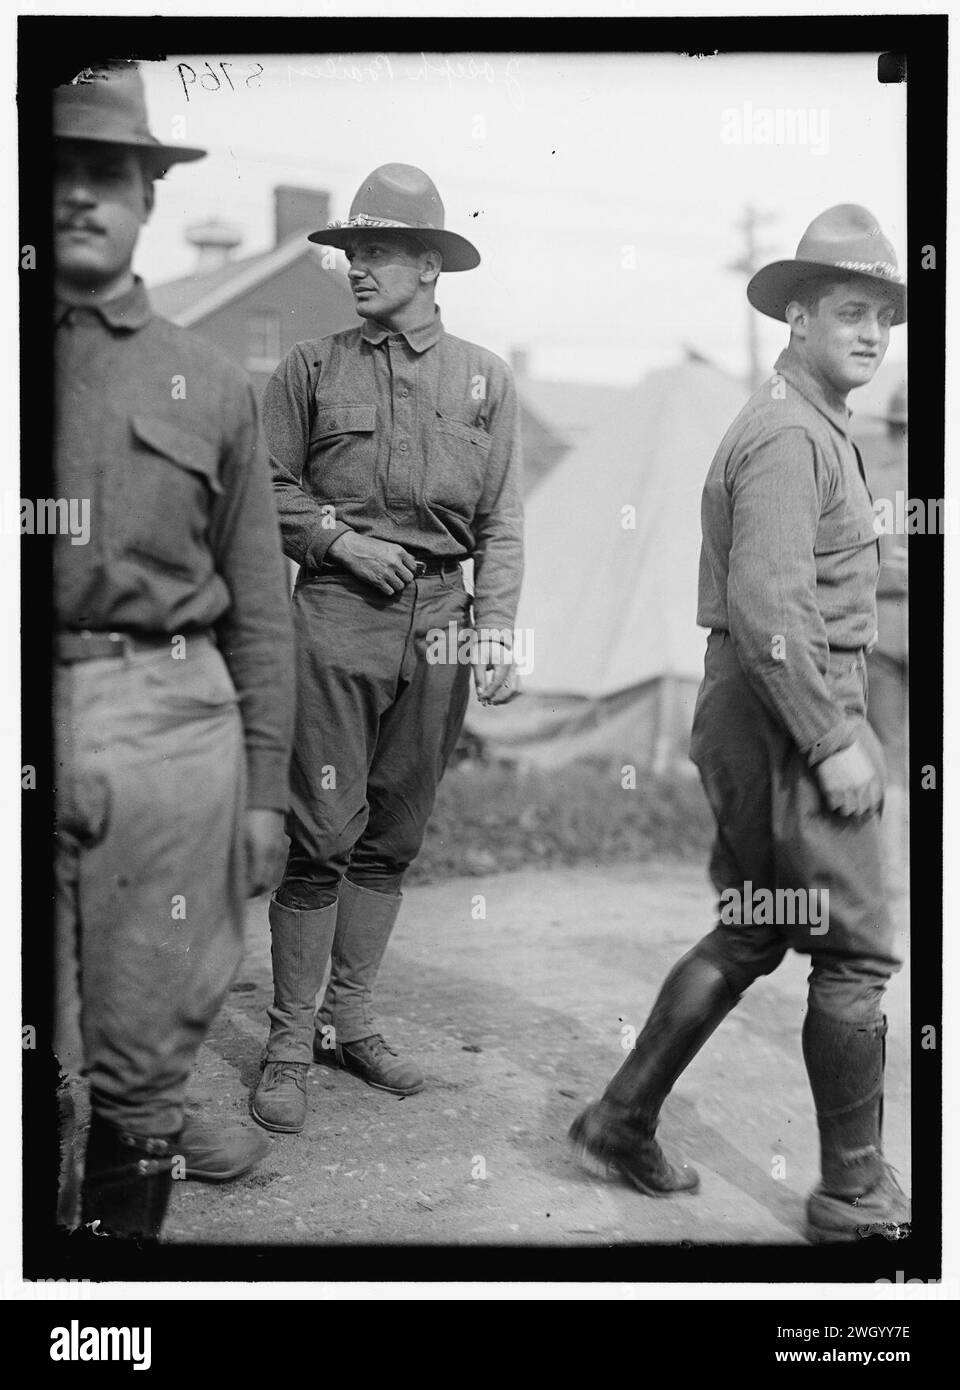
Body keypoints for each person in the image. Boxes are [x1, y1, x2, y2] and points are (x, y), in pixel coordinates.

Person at [569, 205, 910, 1244]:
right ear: (796, 316)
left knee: (761, 921)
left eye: (885, 319)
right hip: (785, 704)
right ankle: (852, 1192)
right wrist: (831, 735)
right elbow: (769, 613)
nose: (870, 335)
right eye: (849, 312)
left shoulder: (817, 428)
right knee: (853, 953)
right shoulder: (785, 433)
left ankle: (620, 1117)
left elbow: (809, 575)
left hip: (757, 699)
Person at [52, 62, 295, 1241]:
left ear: (149, 193)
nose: (77, 198)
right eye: (53, 172)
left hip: (167, 726)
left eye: (107, 173)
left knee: (141, 1063)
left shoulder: (207, 379)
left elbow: (259, 603)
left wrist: (264, 793)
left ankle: (109, 1288)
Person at [252, 163, 523, 1134]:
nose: (356, 268)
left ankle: (348, 1023)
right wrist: (337, 539)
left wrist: (495, 630)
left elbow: (501, 521)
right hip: (336, 612)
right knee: (321, 831)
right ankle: (287, 1046)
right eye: (350, 252)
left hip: (443, 625)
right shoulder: (311, 368)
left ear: (428, 264)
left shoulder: (486, 377)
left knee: (395, 832)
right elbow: (267, 488)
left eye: (375, 252)